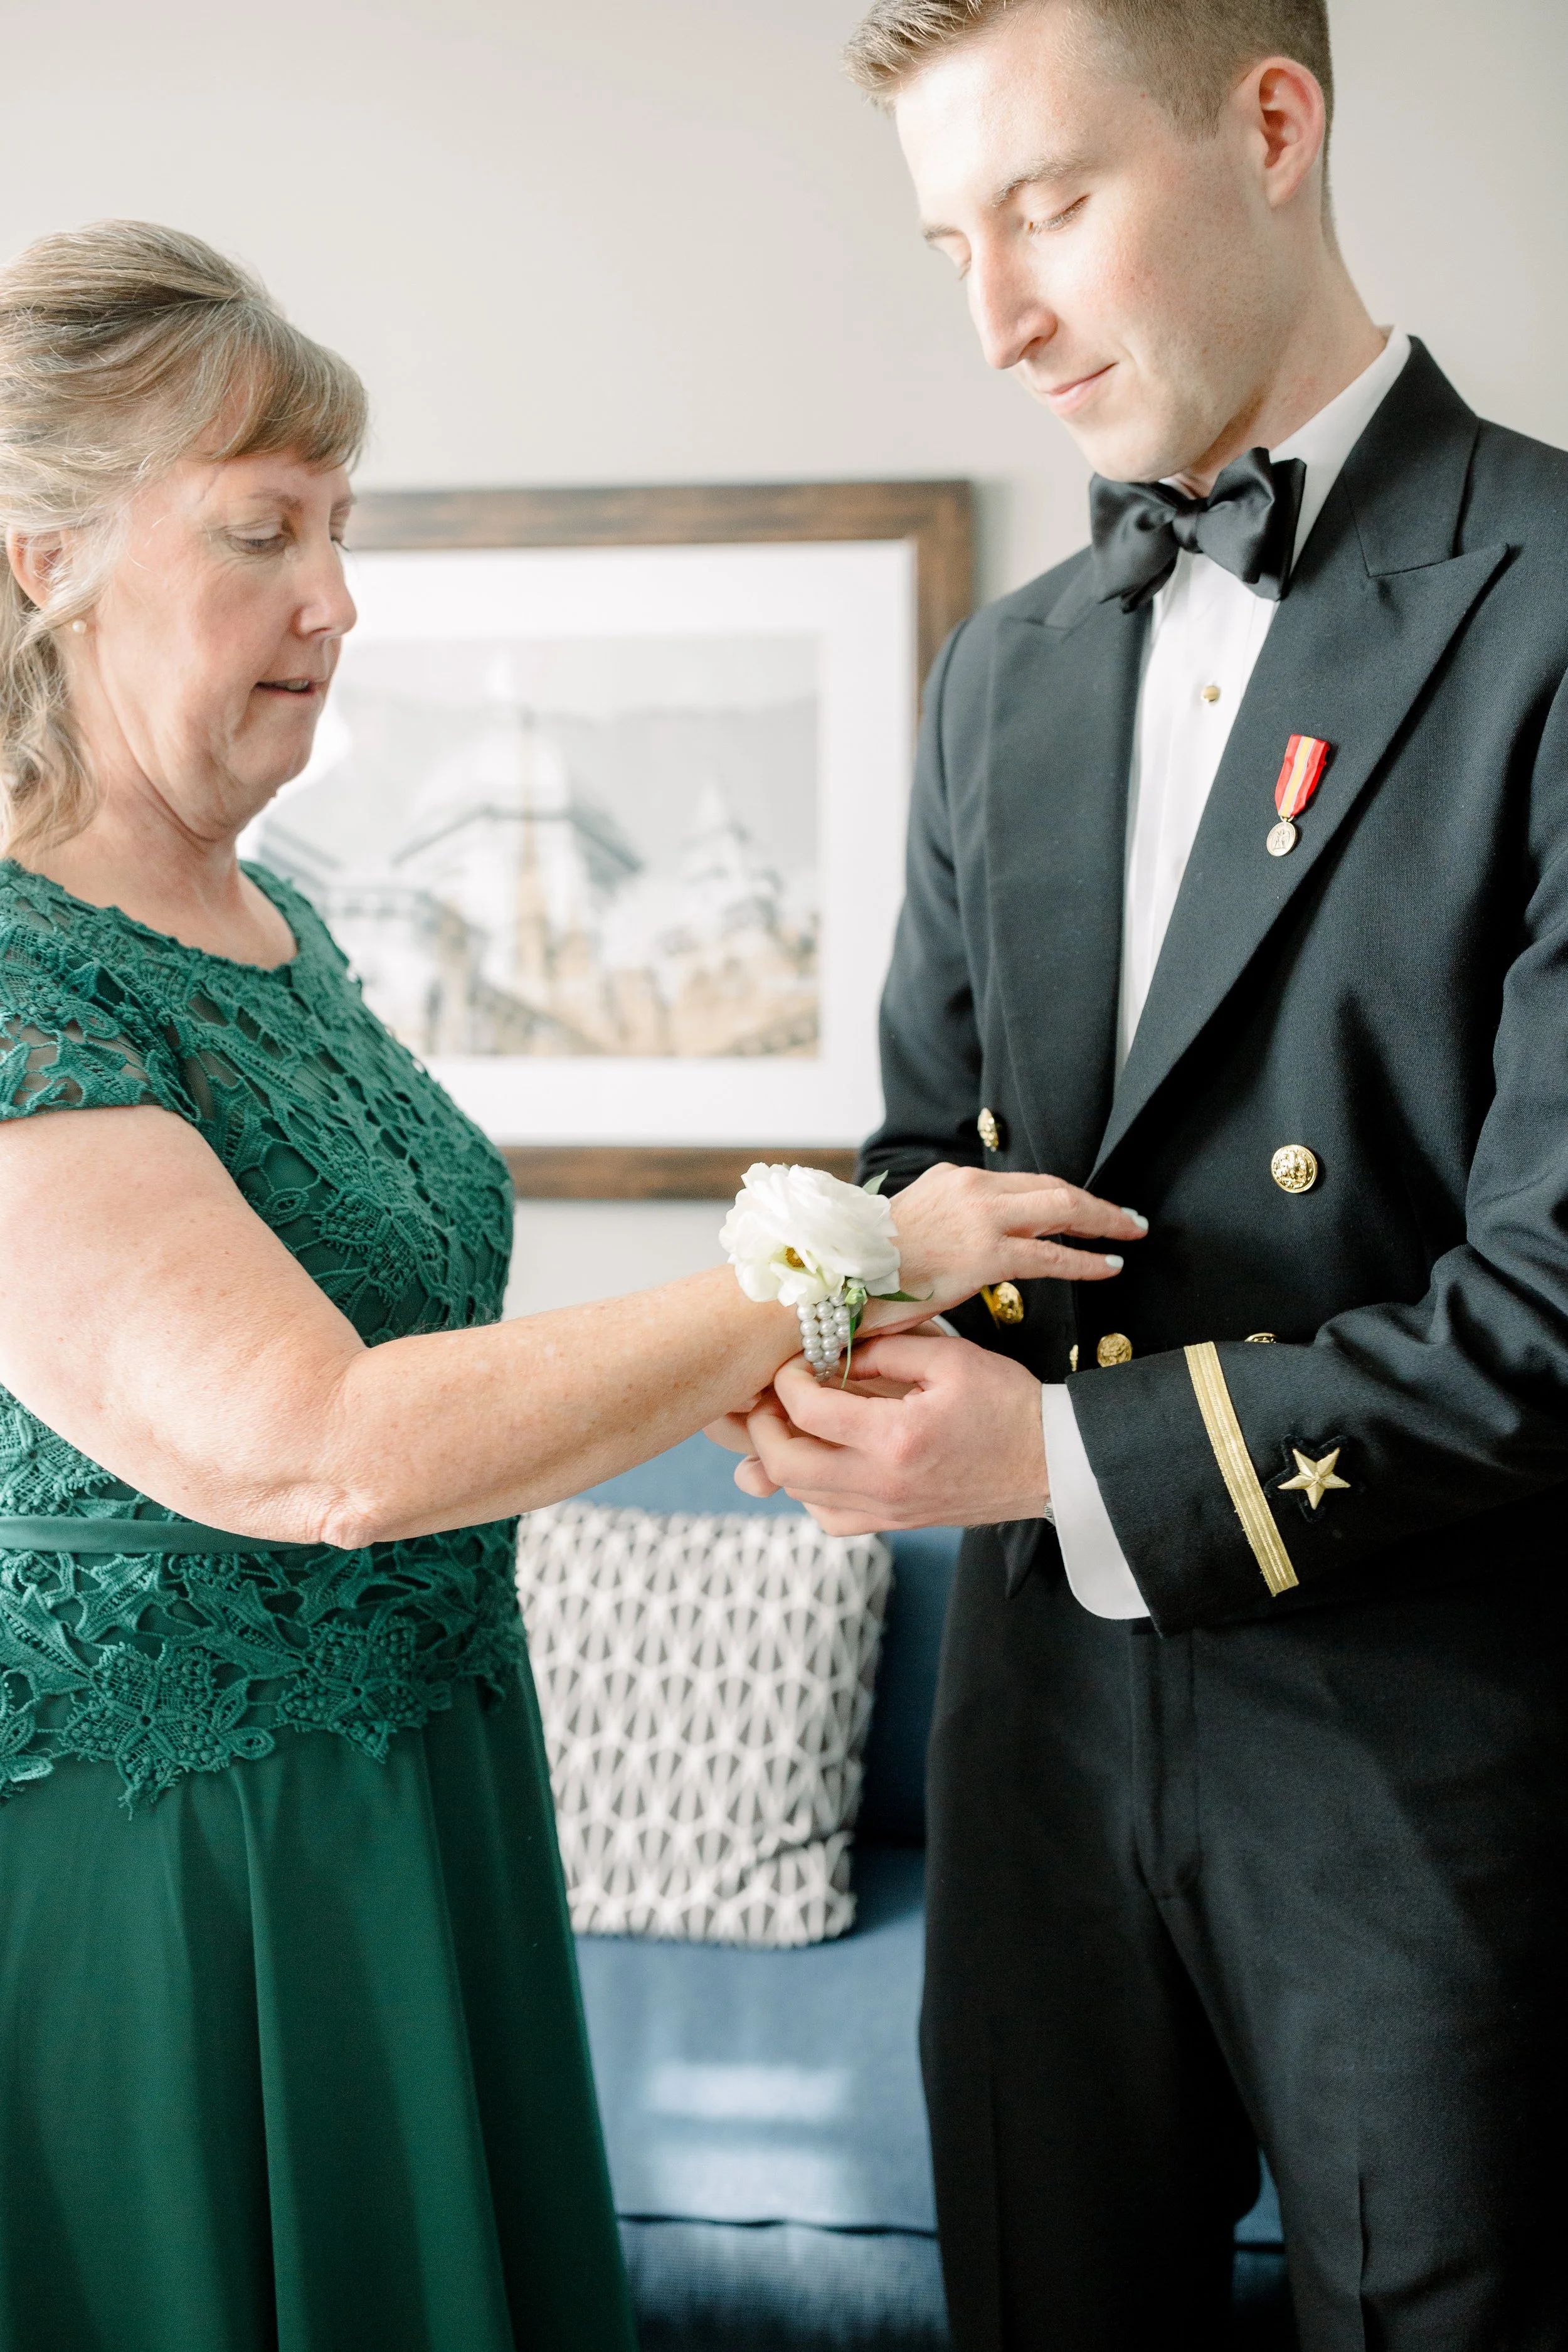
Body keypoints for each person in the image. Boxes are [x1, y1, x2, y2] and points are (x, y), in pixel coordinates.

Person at [0, 220, 1144, 2352]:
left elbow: (437, 1350)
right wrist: (846, 1264)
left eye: (343, 531)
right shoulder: (14, 982)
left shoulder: (285, 924)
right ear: (31, 564)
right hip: (172, 1890)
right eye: (263, 533)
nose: (339, 600)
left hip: (423, 1798)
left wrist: (679, 1378)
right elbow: (314, 1447)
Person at [725, 3, 1568, 2346]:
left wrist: (1047, 1448)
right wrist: (852, 1350)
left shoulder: (1556, 596)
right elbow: (927, 1151)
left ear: (1270, 126)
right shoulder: (1002, 671)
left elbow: (1559, 1308)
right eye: (946, 238)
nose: (991, 315)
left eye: (1048, 204)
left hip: (1421, 1748)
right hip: (1033, 1734)